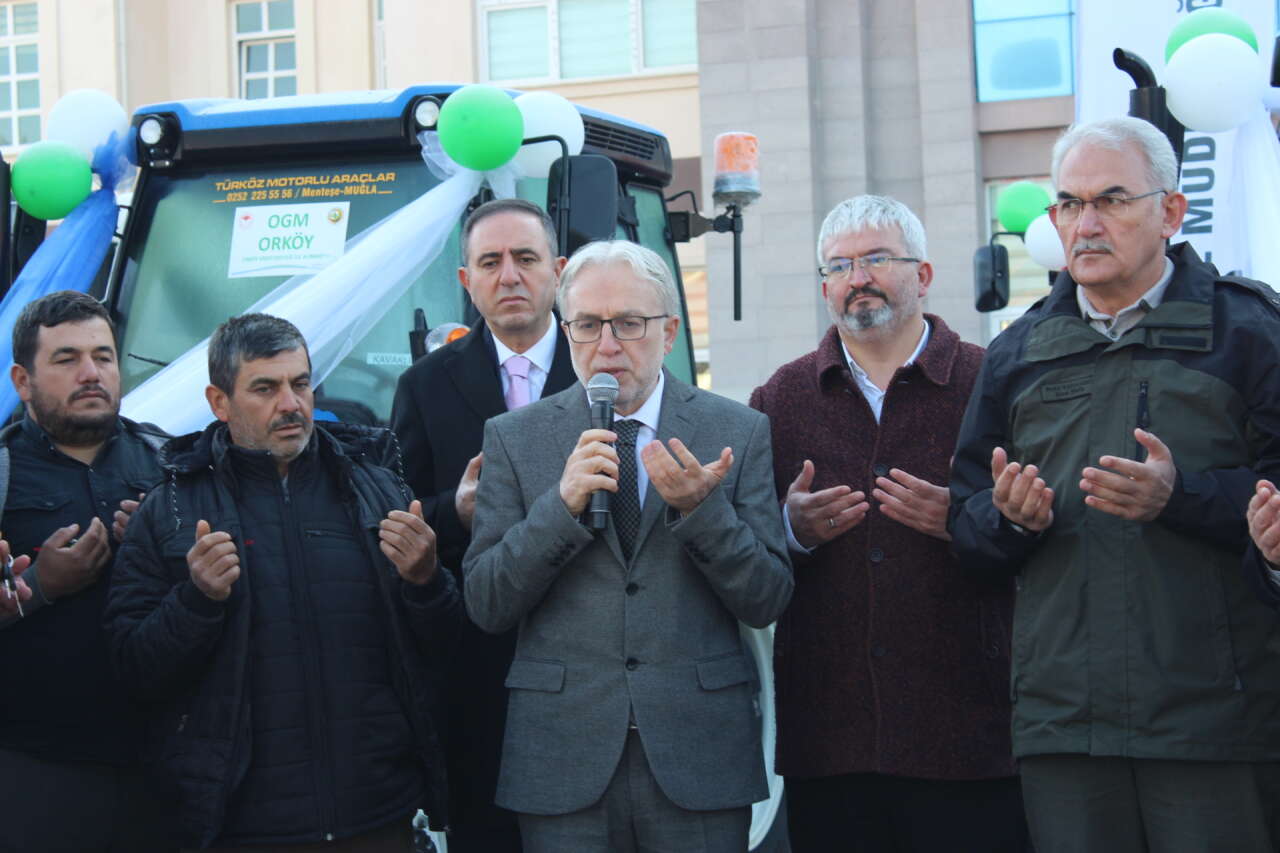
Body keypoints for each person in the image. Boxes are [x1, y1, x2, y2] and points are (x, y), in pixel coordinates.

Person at [949, 115, 1280, 852]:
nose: (1086, 223)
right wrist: (1010, 520)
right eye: (1070, 203)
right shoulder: (1016, 352)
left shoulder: (1249, 331)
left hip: (1213, 721)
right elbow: (967, 526)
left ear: (1171, 211)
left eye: (1111, 200)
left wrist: (1181, 498)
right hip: (1065, 728)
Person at [463, 240, 793, 853]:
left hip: (698, 755)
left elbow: (767, 598)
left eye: (629, 324)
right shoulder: (514, 438)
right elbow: (486, 602)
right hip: (563, 758)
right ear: (566, 332)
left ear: (669, 333)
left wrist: (702, 512)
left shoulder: (736, 430)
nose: (608, 345)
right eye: (588, 325)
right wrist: (560, 508)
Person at [104, 313, 462, 852]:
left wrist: (426, 581)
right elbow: (132, 670)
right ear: (219, 402)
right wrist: (196, 601)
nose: (291, 404)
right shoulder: (171, 509)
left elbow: (445, 649)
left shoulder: (378, 490)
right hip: (241, 825)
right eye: (265, 389)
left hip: (377, 813)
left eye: (300, 384)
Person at [749, 195, 1026, 852]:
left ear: (923, 275)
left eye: (876, 259)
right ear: (824, 286)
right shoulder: (779, 399)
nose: (857, 278)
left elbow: (1043, 531)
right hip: (830, 741)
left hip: (972, 734)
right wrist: (791, 531)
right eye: (839, 266)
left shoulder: (994, 382)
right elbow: (748, 556)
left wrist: (966, 522)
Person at [391, 198, 575, 852]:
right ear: (467, 281)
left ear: (558, 270)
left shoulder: (606, 369)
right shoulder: (425, 386)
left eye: (525, 258)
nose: (510, 276)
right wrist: (457, 511)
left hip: (594, 662)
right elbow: (400, 512)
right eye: (491, 263)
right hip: (479, 673)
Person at [0, 290, 172, 853]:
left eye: (103, 356)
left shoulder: (173, 464)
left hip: (167, 767)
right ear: (23, 381)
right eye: (67, 358)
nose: (91, 373)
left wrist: (162, 551)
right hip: (36, 773)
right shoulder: (4, 472)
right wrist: (40, 587)